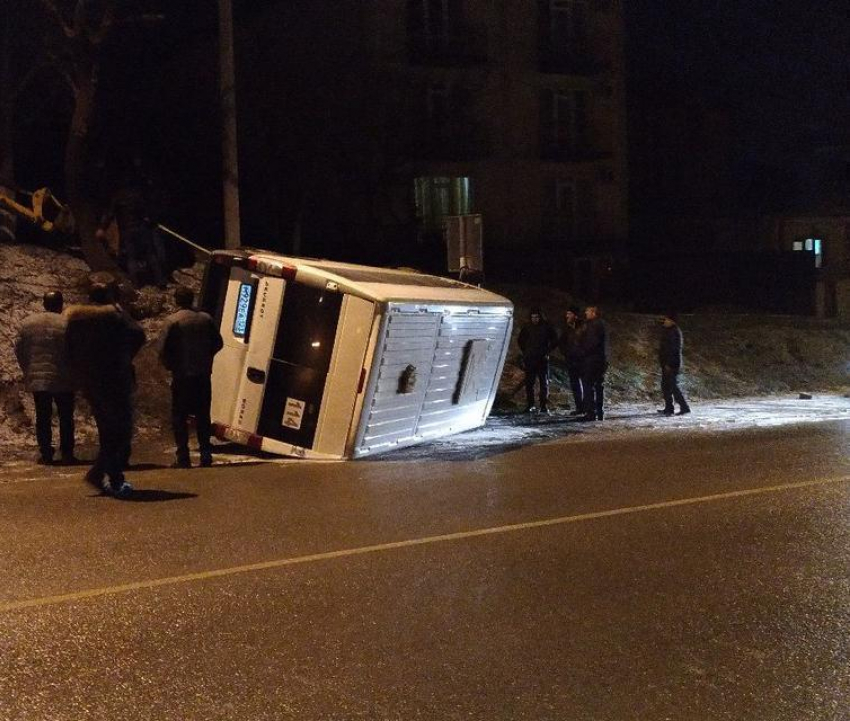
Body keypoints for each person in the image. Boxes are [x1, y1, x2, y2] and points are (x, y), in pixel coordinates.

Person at [66, 282, 146, 497]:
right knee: (122, 430)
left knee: (106, 429)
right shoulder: (114, 317)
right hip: (115, 379)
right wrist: (125, 355)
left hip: (91, 381)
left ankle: (112, 474)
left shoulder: (76, 320)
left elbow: (68, 350)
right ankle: (105, 473)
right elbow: (138, 334)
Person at [157, 286, 224, 468]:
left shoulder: (172, 321)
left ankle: (183, 456)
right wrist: (206, 357)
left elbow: (161, 348)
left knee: (179, 416)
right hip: (202, 374)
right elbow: (218, 343)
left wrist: (169, 364)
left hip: (182, 375)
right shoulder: (205, 319)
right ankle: (205, 454)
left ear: (176, 300)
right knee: (203, 415)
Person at [15, 291, 76, 464]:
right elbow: (75, 350)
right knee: (66, 417)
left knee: (43, 416)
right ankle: (67, 452)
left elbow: (19, 349)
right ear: (61, 304)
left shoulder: (27, 324)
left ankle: (46, 452)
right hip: (63, 377)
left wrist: (28, 369)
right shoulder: (67, 324)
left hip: (38, 378)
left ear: (44, 304)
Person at [517, 307, 558, 413]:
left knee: (543, 382)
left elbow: (554, 340)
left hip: (542, 359)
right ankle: (530, 404)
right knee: (529, 382)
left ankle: (543, 405)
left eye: (536, 317)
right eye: (533, 317)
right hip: (530, 358)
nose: (534, 319)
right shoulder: (527, 327)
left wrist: (547, 351)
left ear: (540, 317)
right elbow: (520, 340)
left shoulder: (546, 327)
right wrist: (526, 351)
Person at [658, 312, 691, 416]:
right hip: (666, 363)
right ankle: (669, 408)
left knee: (673, 386)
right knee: (665, 386)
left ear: (672, 321)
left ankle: (684, 407)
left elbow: (673, 350)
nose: (664, 321)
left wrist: (669, 363)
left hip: (672, 364)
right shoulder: (668, 331)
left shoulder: (674, 332)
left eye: (666, 319)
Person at [580, 305, 609, 421]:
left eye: (587, 311)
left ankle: (591, 412)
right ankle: (599, 411)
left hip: (592, 359)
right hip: (601, 359)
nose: (585, 313)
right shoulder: (602, 324)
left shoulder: (593, 325)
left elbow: (591, 343)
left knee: (588, 385)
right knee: (599, 386)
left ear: (593, 313)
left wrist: (583, 351)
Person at [558, 305, 585, 415]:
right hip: (571, 361)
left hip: (583, 361)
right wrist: (566, 353)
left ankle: (587, 407)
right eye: (567, 314)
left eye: (569, 314)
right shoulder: (567, 328)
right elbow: (561, 342)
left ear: (575, 315)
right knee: (575, 384)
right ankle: (579, 407)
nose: (567, 316)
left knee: (586, 384)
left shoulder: (584, 327)